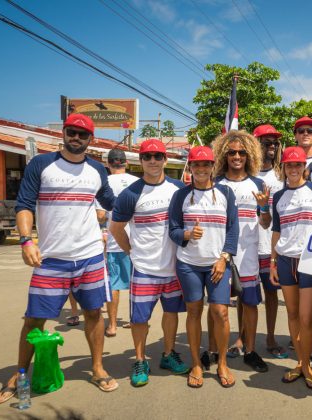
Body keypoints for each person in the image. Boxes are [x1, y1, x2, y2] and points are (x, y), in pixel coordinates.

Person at [0, 114, 119, 404]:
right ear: (64, 133)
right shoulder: (41, 164)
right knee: (34, 319)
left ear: (91, 140)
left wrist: (143, 196)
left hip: (89, 257)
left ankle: (97, 368)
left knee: (93, 313)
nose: (76, 138)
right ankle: (20, 372)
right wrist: (26, 240)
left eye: (82, 134)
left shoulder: (97, 170)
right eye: (71, 132)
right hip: (51, 259)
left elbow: (112, 203)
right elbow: (24, 204)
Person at [110, 138, 187, 387]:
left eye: (157, 156)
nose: (153, 161)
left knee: (172, 313)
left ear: (165, 159)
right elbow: (116, 228)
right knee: (139, 319)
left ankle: (167, 354)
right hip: (144, 269)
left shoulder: (178, 188)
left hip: (174, 267)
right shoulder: (130, 193)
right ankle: (141, 359)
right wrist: (131, 251)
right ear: (140, 161)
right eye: (147, 157)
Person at [168, 145, 238, 388]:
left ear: (212, 167)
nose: (201, 169)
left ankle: (222, 363)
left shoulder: (226, 193)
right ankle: (197, 363)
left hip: (218, 264)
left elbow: (233, 230)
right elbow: (173, 231)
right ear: (191, 166)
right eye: (196, 164)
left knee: (221, 312)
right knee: (194, 311)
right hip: (189, 264)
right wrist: (187, 234)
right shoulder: (181, 196)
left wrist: (224, 258)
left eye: (206, 164)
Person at [271, 146, 312, 389]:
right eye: (289, 165)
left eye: (298, 165)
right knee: (293, 315)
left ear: (304, 167)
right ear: (283, 168)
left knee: (307, 318)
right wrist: (273, 262)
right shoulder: (278, 196)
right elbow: (276, 231)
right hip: (285, 259)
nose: (293, 169)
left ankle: (307, 364)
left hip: (310, 260)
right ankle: (302, 364)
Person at [214, 130, 270, 373]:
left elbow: (266, 223)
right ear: (224, 156)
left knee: (250, 304)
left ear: (250, 155)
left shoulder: (258, 184)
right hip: (220, 255)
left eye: (242, 152)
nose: (237, 156)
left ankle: (250, 350)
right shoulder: (215, 184)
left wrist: (264, 207)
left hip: (248, 255)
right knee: (218, 305)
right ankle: (215, 351)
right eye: (232, 152)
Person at [254, 124, 288, 359]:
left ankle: (270, 336)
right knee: (246, 296)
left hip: (271, 245)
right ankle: (241, 337)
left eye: (275, 143)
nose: (272, 146)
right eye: (267, 142)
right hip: (246, 244)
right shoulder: (247, 173)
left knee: (272, 294)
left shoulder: (282, 174)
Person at [103, 148, 138, 337]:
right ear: (125, 163)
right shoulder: (137, 183)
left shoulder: (105, 182)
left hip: (115, 240)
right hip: (136, 241)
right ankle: (135, 321)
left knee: (114, 284)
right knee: (136, 283)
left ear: (108, 164)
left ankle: (113, 325)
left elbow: (101, 214)